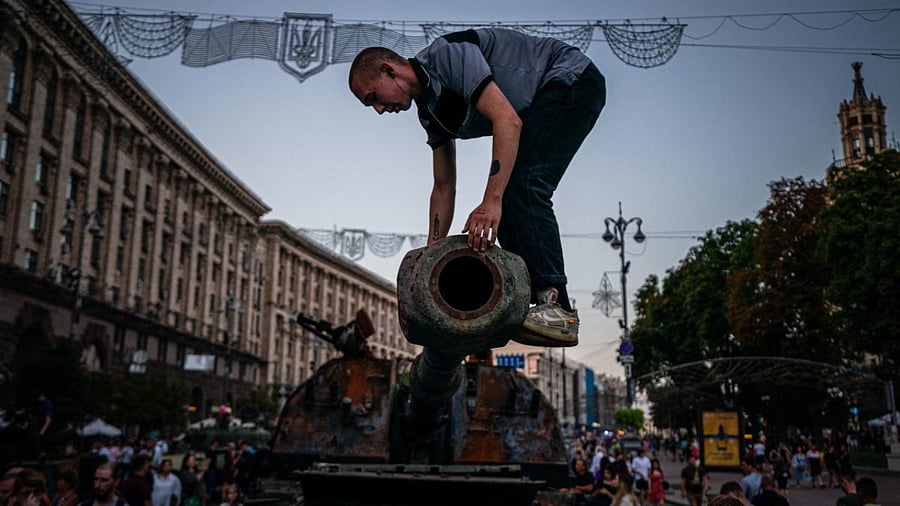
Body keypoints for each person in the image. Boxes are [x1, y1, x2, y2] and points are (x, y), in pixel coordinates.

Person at [348, 28, 606, 348]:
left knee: (521, 187)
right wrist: (432, 258)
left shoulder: (447, 56)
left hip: (571, 80)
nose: (378, 110)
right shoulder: (430, 113)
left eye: (373, 97)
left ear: (389, 69)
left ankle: (557, 307)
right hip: (540, 103)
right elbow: (443, 185)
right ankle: (540, 304)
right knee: (510, 195)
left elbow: (507, 121)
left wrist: (490, 202)